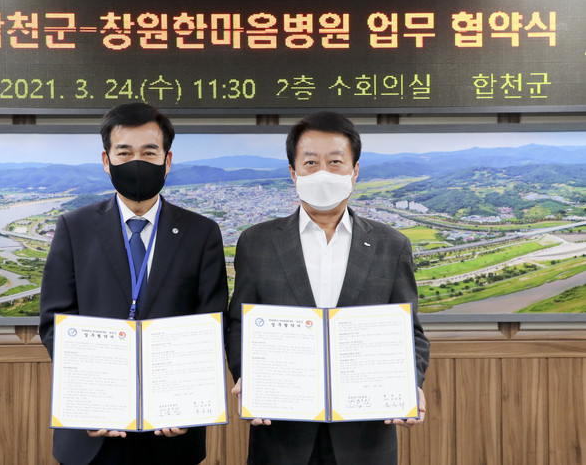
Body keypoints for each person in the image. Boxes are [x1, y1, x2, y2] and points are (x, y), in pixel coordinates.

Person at [226, 111, 430, 464]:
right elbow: (240, 324)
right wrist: (250, 378)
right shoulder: (257, 242)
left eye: (335, 162)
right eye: (310, 163)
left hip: (365, 434)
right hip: (281, 431)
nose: (323, 173)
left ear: (355, 170)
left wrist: (408, 384)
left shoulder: (391, 245)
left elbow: (410, 332)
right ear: (293, 172)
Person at [39, 102, 229, 465]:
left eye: (149, 152)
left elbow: (211, 320)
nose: (136, 162)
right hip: (92, 430)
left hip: (173, 431)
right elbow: (54, 321)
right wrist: (88, 398)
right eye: (124, 152)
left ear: (167, 160)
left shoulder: (201, 232)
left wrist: (187, 400)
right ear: (107, 160)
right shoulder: (74, 227)